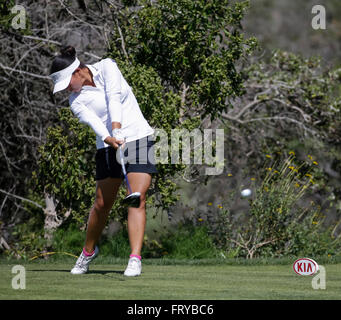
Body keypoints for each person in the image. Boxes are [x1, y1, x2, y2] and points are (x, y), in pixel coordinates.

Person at [49, 46, 158, 276]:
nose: (67, 89)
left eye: (67, 83)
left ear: (77, 71)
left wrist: (117, 127)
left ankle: (135, 258)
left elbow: (113, 97)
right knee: (101, 205)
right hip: (108, 147)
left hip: (138, 137)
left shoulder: (107, 66)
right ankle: (88, 252)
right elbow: (94, 123)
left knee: (137, 197)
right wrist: (110, 137)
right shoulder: (75, 101)